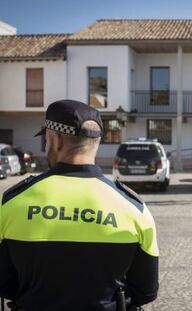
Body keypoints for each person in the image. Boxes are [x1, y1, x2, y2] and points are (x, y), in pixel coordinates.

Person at [0, 100, 159, 311]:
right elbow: (146, 291)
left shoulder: (11, 203)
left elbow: (4, 283)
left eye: (45, 139)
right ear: (96, 143)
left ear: (55, 140)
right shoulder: (134, 209)